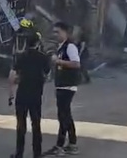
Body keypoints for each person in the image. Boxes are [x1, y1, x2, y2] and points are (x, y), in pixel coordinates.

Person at [8, 32, 50, 158]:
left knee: (21, 126)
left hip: (22, 96)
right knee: (36, 125)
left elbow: (12, 76)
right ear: (38, 43)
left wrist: (11, 95)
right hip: (36, 96)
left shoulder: (21, 57)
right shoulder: (43, 57)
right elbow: (47, 75)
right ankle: (37, 154)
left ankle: (19, 153)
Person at [48, 21, 81, 155]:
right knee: (66, 115)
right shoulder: (61, 47)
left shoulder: (70, 47)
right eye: (54, 32)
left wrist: (58, 61)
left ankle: (60, 145)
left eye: (58, 32)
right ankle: (72, 143)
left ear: (65, 32)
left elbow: (76, 64)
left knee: (63, 116)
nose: (55, 35)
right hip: (62, 85)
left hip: (67, 86)